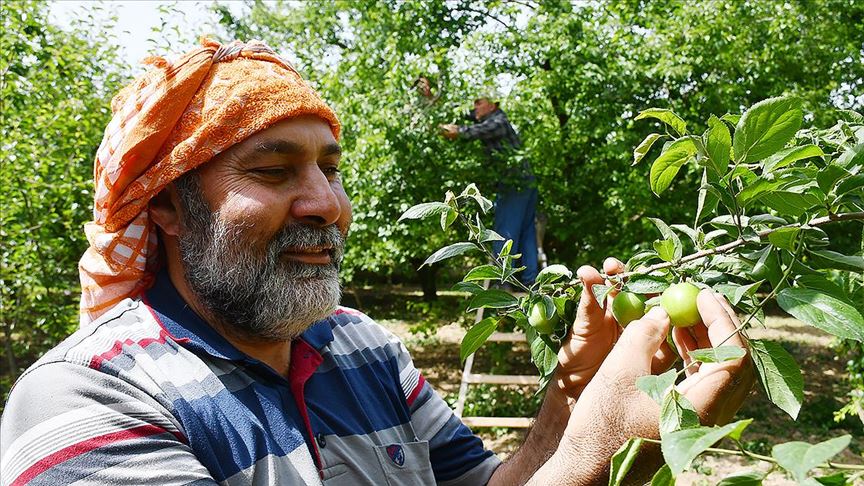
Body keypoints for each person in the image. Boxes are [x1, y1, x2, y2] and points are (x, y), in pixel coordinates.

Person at [0, 39, 753, 486]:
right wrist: (597, 452)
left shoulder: (360, 348)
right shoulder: (84, 407)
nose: (326, 203)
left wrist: (572, 402)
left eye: (332, 168)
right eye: (272, 170)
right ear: (164, 206)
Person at [440, 96, 539, 287]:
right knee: (526, 231)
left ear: (492, 105)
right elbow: (465, 114)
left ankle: (503, 281)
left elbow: (480, 130)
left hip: (514, 183)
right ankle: (531, 281)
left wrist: (457, 130)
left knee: (505, 231)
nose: (474, 107)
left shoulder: (498, 122)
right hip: (525, 182)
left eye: (479, 103)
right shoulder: (488, 117)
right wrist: (434, 100)